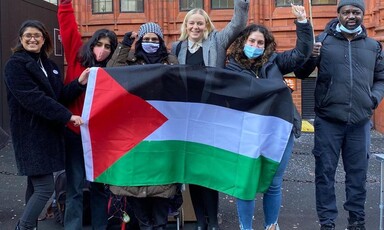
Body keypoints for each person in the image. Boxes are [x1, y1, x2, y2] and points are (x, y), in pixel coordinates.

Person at [294, 0, 384, 229]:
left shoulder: (373, 46)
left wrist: (372, 99)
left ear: (362, 14)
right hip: (328, 121)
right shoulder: (323, 42)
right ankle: (327, 223)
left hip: (359, 122)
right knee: (325, 174)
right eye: (346, 12)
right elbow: (301, 73)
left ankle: (357, 222)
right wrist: (310, 56)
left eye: (356, 12)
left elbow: (381, 78)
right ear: (339, 15)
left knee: (358, 177)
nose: (351, 16)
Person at [225, 4, 313, 230]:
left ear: (266, 46)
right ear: (243, 42)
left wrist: (302, 22)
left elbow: (302, 53)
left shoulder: (274, 62)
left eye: (260, 43)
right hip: (248, 133)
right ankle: (246, 227)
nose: (255, 46)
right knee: (246, 182)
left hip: (280, 131)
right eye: (251, 41)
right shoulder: (231, 69)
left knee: (274, 183)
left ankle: (271, 226)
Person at [170, 1, 249, 229]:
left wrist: (241, 3)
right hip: (188, 118)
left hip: (212, 115)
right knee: (194, 171)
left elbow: (238, 24)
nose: (196, 27)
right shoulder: (177, 47)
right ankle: (201, 222)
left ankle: (213, 222)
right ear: (186, 25)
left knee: (209, 170)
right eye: (192, 23)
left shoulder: (217, 41)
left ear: (206, 25)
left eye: (200, 23)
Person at [3, 19, 89, 230]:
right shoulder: (15, 65)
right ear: (21, 40)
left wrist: (79, 84)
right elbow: (34, 98)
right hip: (30, 136)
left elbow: (58, 95)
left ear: (44, 40)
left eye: (37, 36)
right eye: (28, 36)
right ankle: (23, 226)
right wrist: (67, 116)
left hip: (48, 135)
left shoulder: (49, 66)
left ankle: (29, 226)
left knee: (35, 186)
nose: (32, 39)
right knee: (44, 187)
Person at [106, 22, 178, 230]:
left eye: (155, 40)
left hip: (163, 133)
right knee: (135, 188)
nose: (150, 43)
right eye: (146, 39)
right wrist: (126, 43)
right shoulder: (129, 62)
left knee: (162, 188)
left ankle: (160, 225)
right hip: (134, 134)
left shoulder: (171, 63)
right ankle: (146, 225)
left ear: (161, 42)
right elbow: (111, 73)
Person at [57, 0, 118, 229]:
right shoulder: (77, 58)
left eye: (108, 46)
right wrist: (64, 3)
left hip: (100, 138)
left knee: (99, 188)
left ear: (112, 50)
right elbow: (67, 26)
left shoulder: (114, 72)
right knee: (74, 188)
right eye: (99, 44)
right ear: (92, 44)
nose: (102, 49)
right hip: (74, 133)